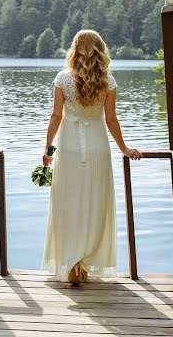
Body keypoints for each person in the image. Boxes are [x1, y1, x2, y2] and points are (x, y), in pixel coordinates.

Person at [41, 29, 142, 284]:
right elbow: (110, 119)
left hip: (69, 146)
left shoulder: (63, 79)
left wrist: (47, 149)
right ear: (100, 50)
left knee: (69, 202)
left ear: (74, 50)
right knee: (95, 203)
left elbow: (55, 117)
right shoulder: (107, 80)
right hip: (98, 146)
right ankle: (84, 260)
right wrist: (124, 149)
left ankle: (73, 264)